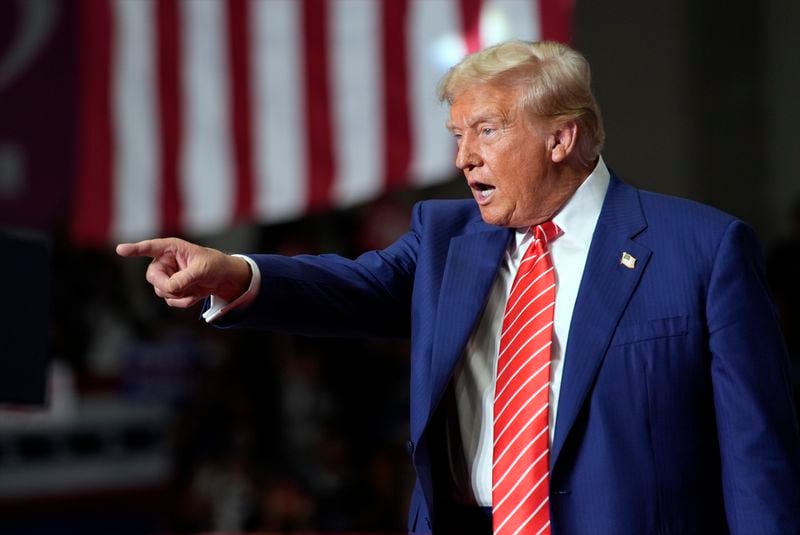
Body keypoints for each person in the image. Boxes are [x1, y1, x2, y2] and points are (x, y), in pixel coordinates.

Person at [117, 40, 800, 534]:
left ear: (561, 138)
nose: (463, 157)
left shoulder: (703, 250)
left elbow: (756, 453)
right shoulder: (447, 240)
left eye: (486, 131)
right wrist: (236, 272)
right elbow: (352, 287)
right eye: (457, 134)